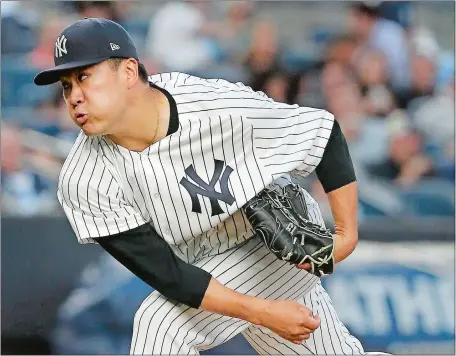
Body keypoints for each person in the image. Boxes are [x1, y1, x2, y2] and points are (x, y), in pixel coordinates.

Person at [34, 18, 370, 355]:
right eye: (66, 85)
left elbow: (323, 133)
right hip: (198, 269)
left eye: (84, 77)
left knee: (161, 324)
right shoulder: (83, 179)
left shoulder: (214, 107)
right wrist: (264, 312)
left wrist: (345, 234)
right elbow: (169, 275)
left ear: (128, 72)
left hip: (272, 246)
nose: (74, 96)